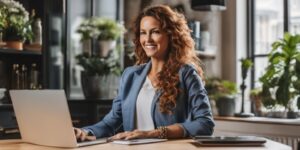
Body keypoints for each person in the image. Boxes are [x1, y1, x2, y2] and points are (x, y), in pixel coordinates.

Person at [74, 4, 214, 141]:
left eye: (155, 32)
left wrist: (153, 133)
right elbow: (111, 122)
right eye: (143, 32)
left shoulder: (186, 74)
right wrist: (85, 131)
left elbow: (205, 124)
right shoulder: (130, 75)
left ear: (172, 35)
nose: (147, 39)